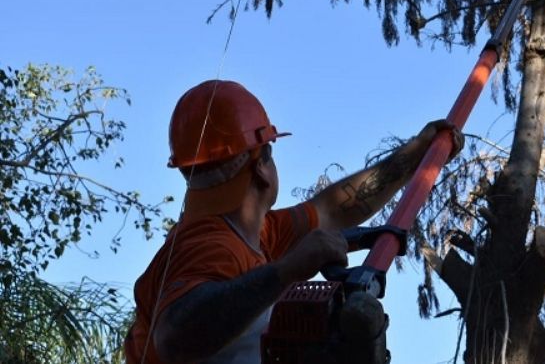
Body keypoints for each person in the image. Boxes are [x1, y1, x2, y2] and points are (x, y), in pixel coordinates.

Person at [124, 79, 462, 363]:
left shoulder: (257, 231)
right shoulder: (209, 245)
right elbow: (174, 335)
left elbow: (335, 208)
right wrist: (287, 270)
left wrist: (417, 154)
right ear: (261, 164)